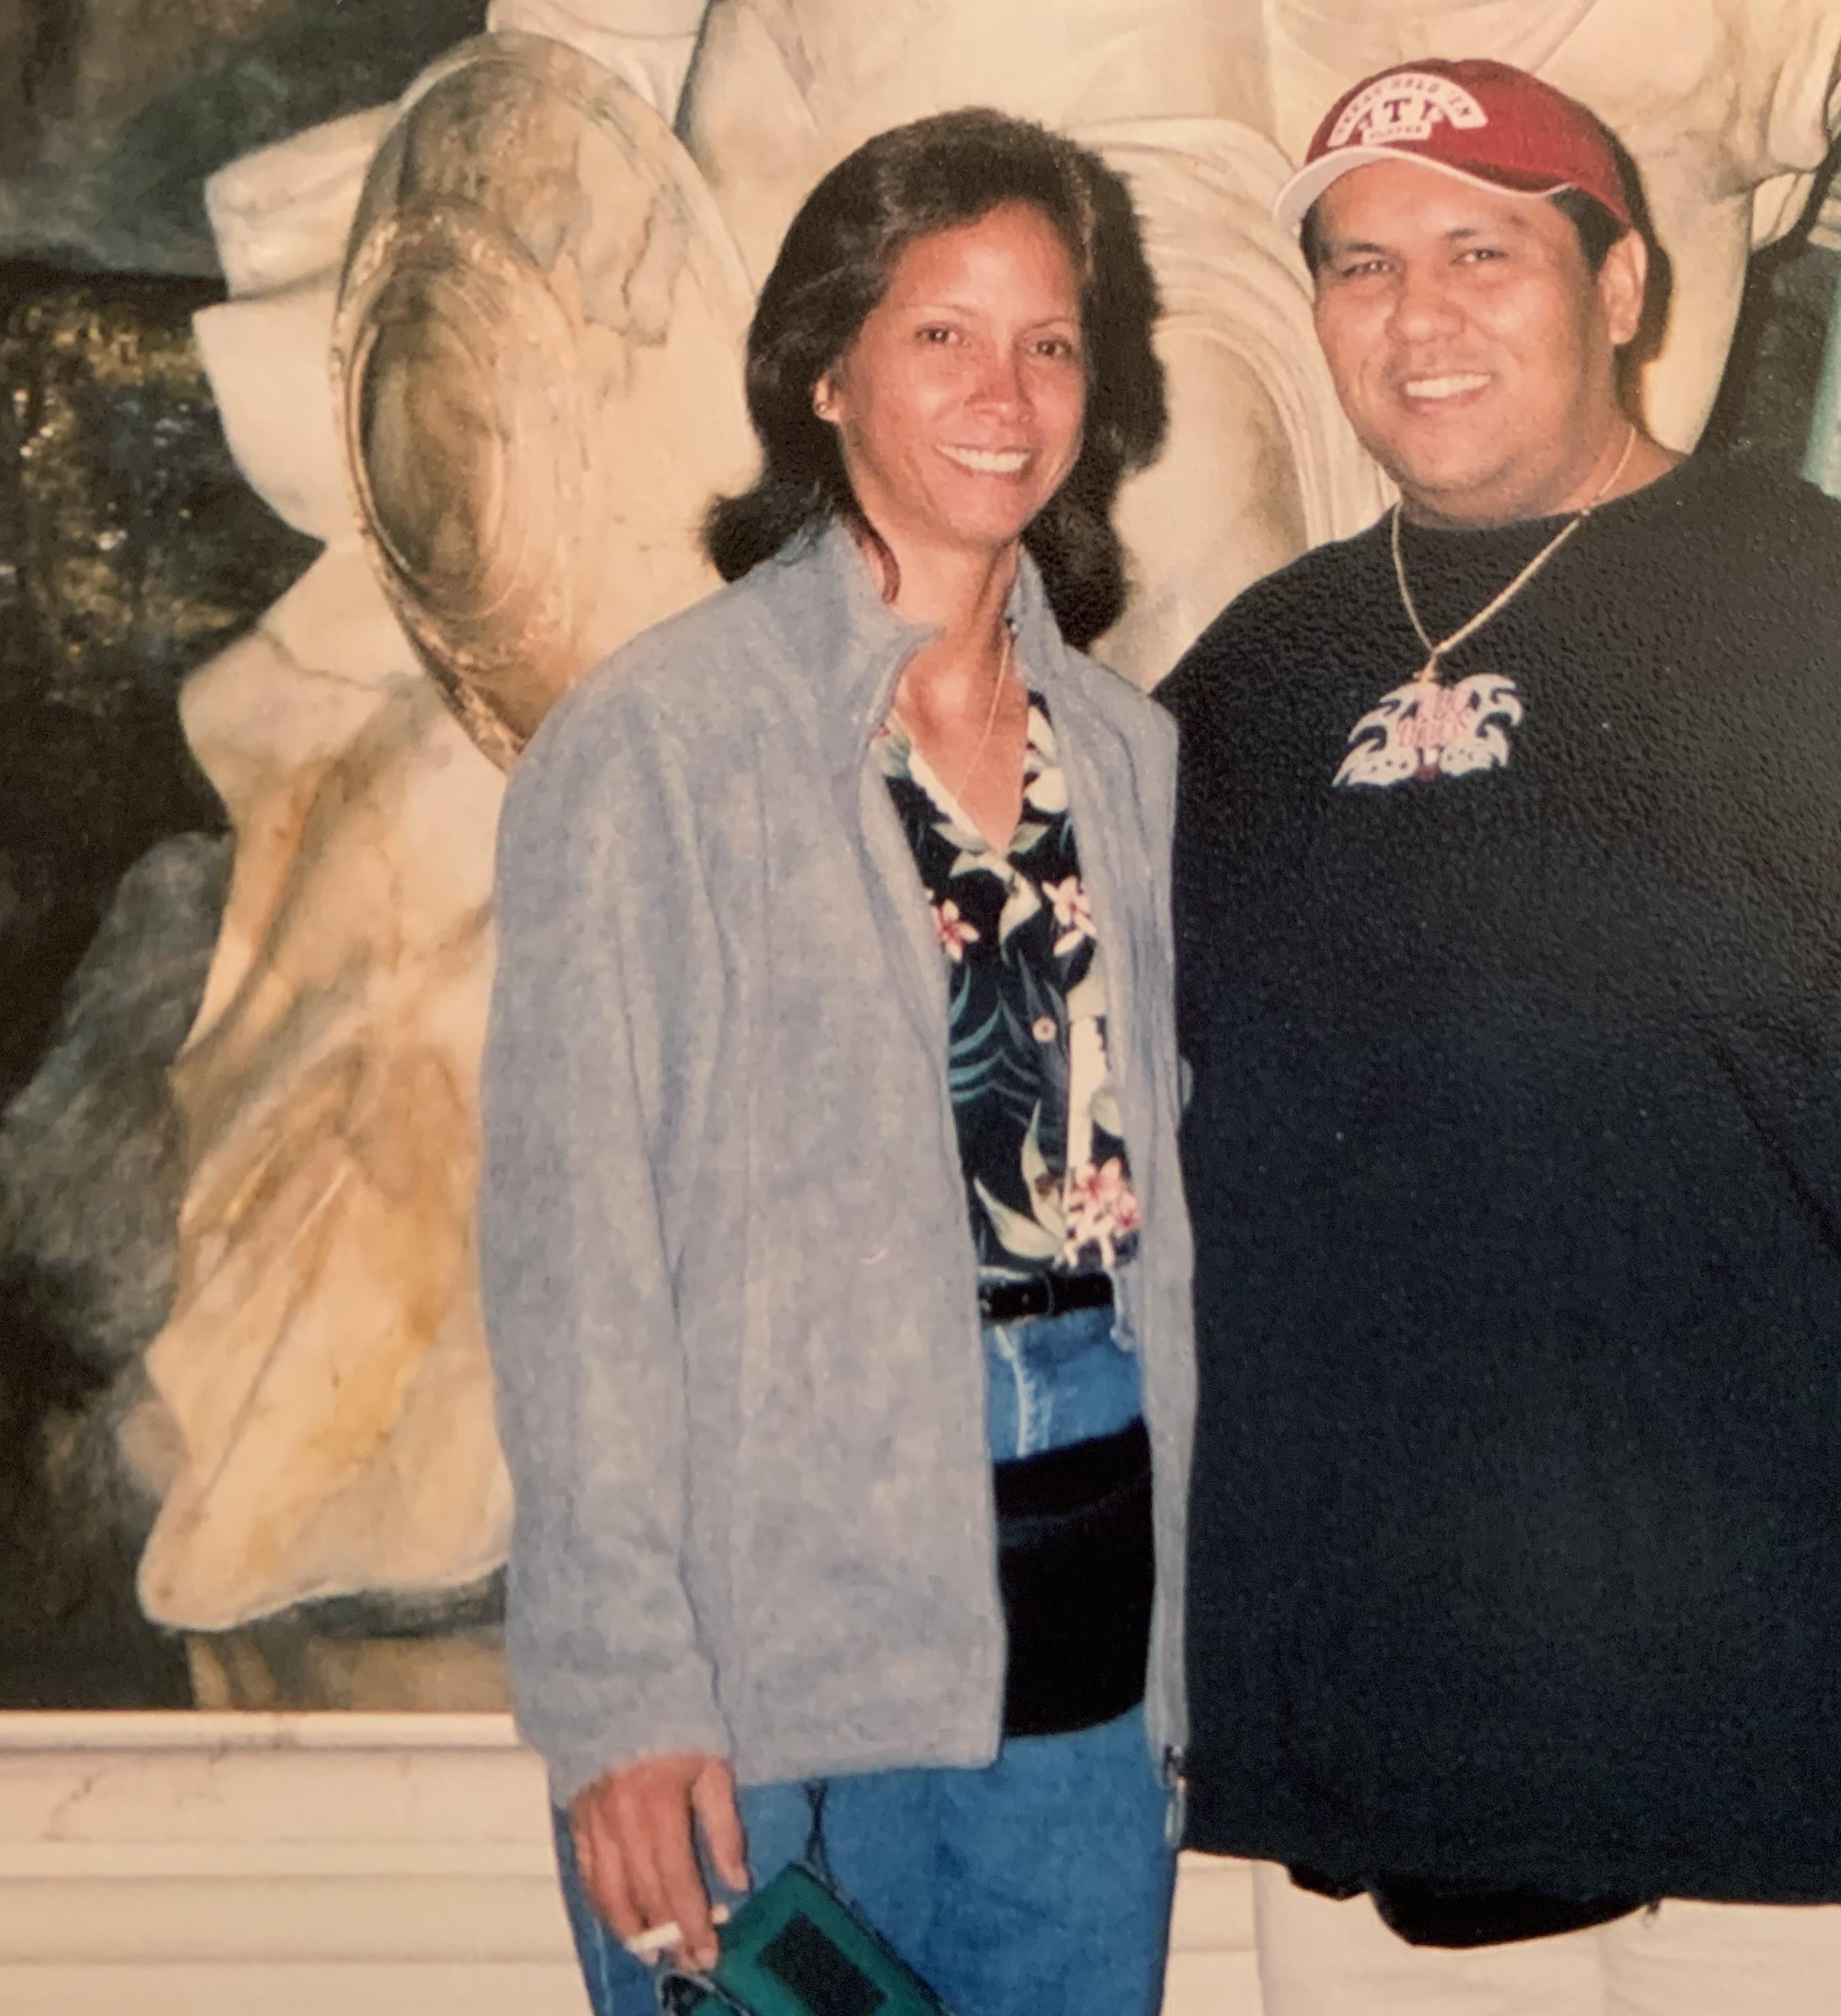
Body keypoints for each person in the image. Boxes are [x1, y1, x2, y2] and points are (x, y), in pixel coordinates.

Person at [1158, 57, 1841, 2015]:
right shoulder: (1253, 681)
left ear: (1623, 281)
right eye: (1364, 266)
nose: (1420, 316)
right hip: (1413, 1774)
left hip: (1831, 1739)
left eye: (1485, 251)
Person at [477, 107, 1194, 2016]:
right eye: (940, 332)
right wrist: (621, 1697)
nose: (1005, 388)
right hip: (775, 1684)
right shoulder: (656, 750)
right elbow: (572, 1264)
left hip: (1086, 1696)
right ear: (826, 371)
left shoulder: (1136, 762)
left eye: (1050, 340)